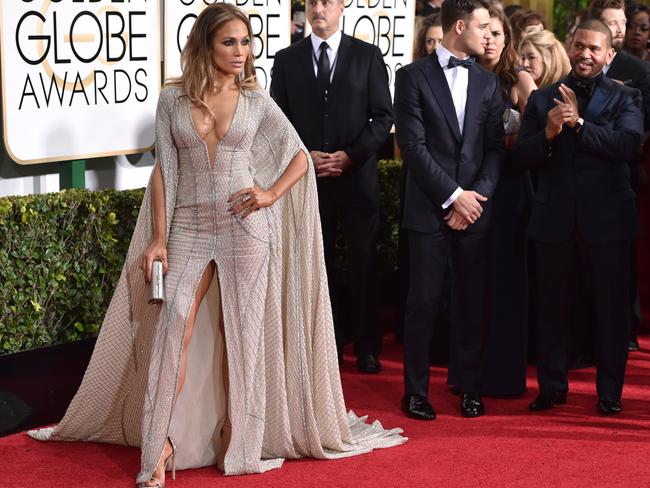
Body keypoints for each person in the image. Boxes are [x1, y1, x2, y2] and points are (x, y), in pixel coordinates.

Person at [27, 4, 405, 487]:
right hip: (186, 227)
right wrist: (159, 239)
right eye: (230, 42)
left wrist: (268, 194)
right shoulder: (172, 100)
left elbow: (297, 158)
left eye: (246, 43)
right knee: (172, 334)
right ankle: (157, 446)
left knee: (243, 337)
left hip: (245, 229)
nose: (241, 53)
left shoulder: (255, 100)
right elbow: (164, 171)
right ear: (206, 45)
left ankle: (239, 443)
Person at [514, 19, 643, 415]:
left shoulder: (627, 97)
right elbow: (522, 157)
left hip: (607, 221)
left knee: (610, 309)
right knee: (551, 308)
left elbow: (628, 145)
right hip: (554, 221)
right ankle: (551, 387)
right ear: (570, 47)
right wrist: (549, 134)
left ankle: (609, 393)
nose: (585, 54)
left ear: (609, 55)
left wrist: (580, 124)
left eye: (594, 49)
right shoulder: (542, 99)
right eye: (580, 46)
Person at [395, 0, 505, 420]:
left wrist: (474, 198)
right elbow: (414, 147)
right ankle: (415, 392)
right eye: (483, 27)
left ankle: (470, 388)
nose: (489, 35)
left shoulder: (489, 83)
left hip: (475, 209)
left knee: (471, 302)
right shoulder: (411, 78)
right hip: (429, 208)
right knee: (422, 301)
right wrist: (452, 195)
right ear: (460, 27)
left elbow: (494, 149)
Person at [270, 0, 394, 374]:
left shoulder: (367, 56)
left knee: (363, 263)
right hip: (307, 181)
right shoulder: (286, 59)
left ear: (342, 7)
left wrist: (350, 156)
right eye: (312, 2)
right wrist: (306, 156)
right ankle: (326, 345)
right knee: (316, 265)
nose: (318, 8)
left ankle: (367, 346)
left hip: (357, 181)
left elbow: (383, 116)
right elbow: (277, 119)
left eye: (327, 2)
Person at [476, 6, 536, 396]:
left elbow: (536, 138)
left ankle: (505, 376)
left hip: (512, 191)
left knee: (508, 283)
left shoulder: (520, 80)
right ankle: (470, 373)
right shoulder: (463, 77)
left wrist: (514, 141)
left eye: (497, 34)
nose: (490, 40)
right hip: (475, 190)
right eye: (485, 32)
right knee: (473, 283)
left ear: (507, 39)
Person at [588, 0, 650, 351]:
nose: (618, 28)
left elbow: (642, 123)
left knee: (622, 254)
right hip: (582, 177)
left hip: (622, 172)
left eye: (621, 22)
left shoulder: (636, 70)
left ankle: (626, 325)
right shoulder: (579, 66)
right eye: (610, 22)